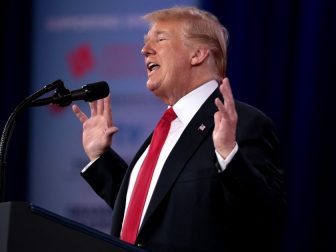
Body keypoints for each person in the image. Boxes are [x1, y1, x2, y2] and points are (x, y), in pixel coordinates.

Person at [72, 6, 285, 252]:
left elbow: (269, 219)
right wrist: (100, 158)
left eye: (160, 39)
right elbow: (150, 210)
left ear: (198, 54)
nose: (144, 50)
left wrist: (229, 155)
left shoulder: (244, 124)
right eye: (145, 42)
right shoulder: (168, 128)